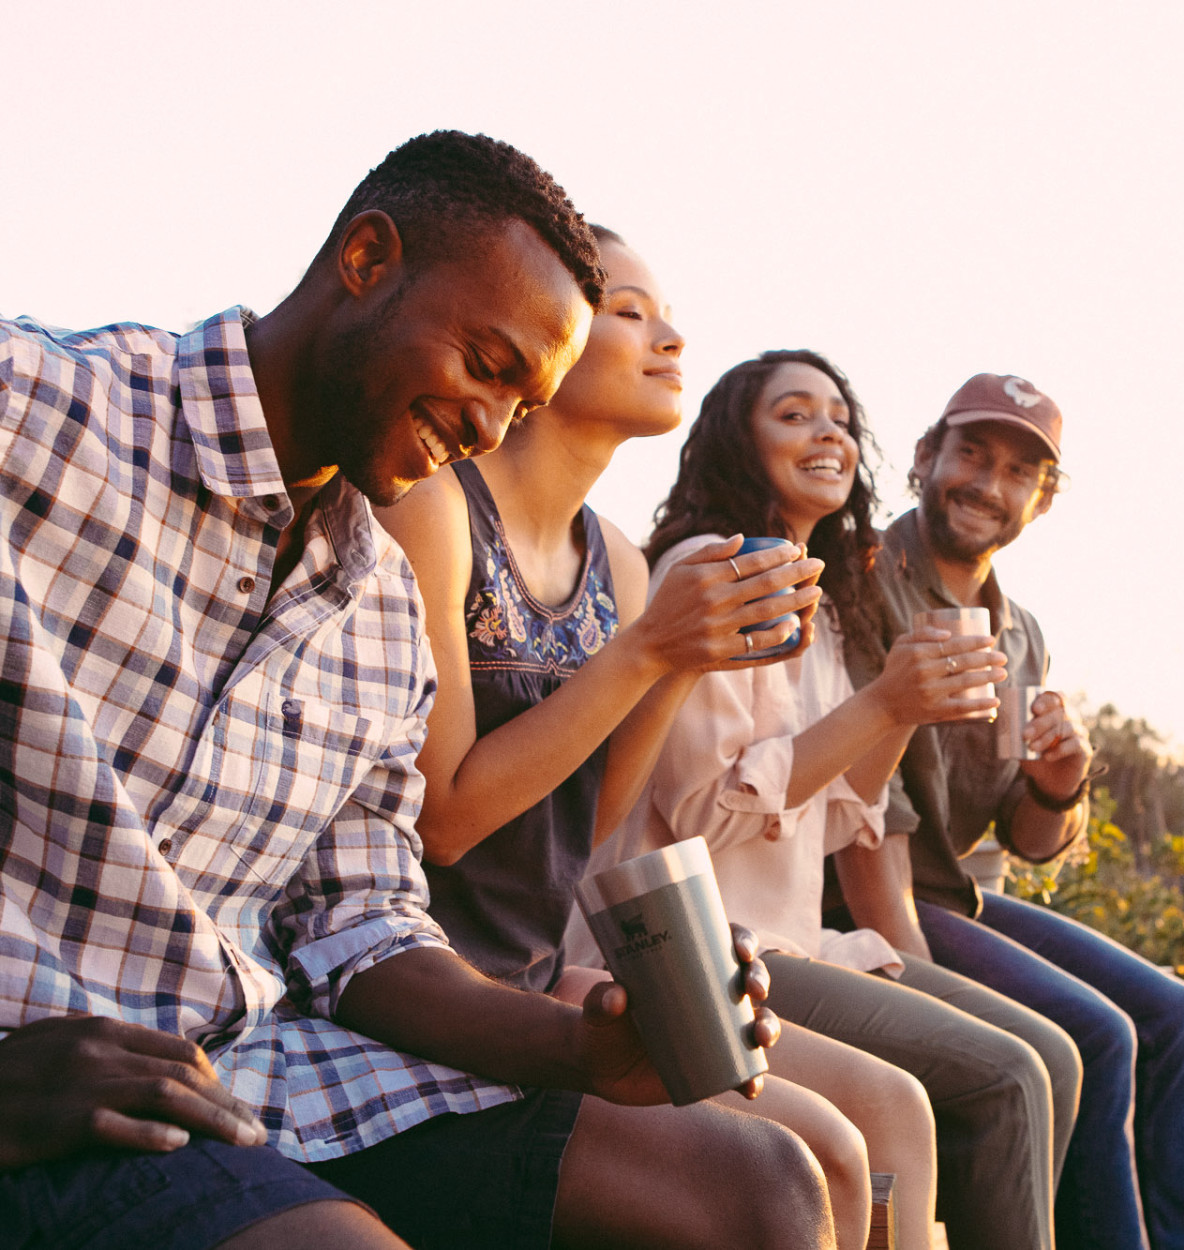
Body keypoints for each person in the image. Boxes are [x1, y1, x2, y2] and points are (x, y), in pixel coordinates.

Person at [0, 132, 834, 1250]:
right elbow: (457, 818)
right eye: (486, 364)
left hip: (254, 1059)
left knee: (760, 1183)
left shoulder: (383, 597)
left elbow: (362, 926)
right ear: (366, 260)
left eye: (522, 404)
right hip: (47, 1069)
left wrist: (588, 1045)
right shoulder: (41, 409)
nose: (490, 426)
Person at [378, 226, 938, 1250]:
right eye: (630, 313)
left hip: (536, 965)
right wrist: (648, 650)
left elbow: (586, 821)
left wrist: (678, 658)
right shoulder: (439, 507)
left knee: (850, 1145)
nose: (670, 338)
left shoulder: (620, 562)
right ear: (547, 332)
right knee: (782, 1175)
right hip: (427, 977)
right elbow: (445, 819)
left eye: (666, 315)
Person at [592, 349, 1087, 1250]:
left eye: (840, 419)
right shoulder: (711, 571)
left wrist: (902, 709)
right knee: (1006, 1073)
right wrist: (883, 705)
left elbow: (839, 817)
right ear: (738, 440)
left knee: (1053, 1053)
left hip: (791, 936)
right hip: (705, 941)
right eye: (794, 414)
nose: (827, 433)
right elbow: (705, 811)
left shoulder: (821, 600)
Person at [833, 373, 1184, 1250]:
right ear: (926, 456)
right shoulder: (865, 581)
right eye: (972, 454)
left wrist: (1059, 783)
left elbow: (1028, 838)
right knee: (1100, 1034)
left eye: (1019, 472)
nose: (988, 484)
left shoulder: (1020, 632)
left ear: (1042, 501)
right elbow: (867, 817)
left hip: (954, 892)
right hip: (857, 892)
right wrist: (917, 982)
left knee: (1174, 1013)